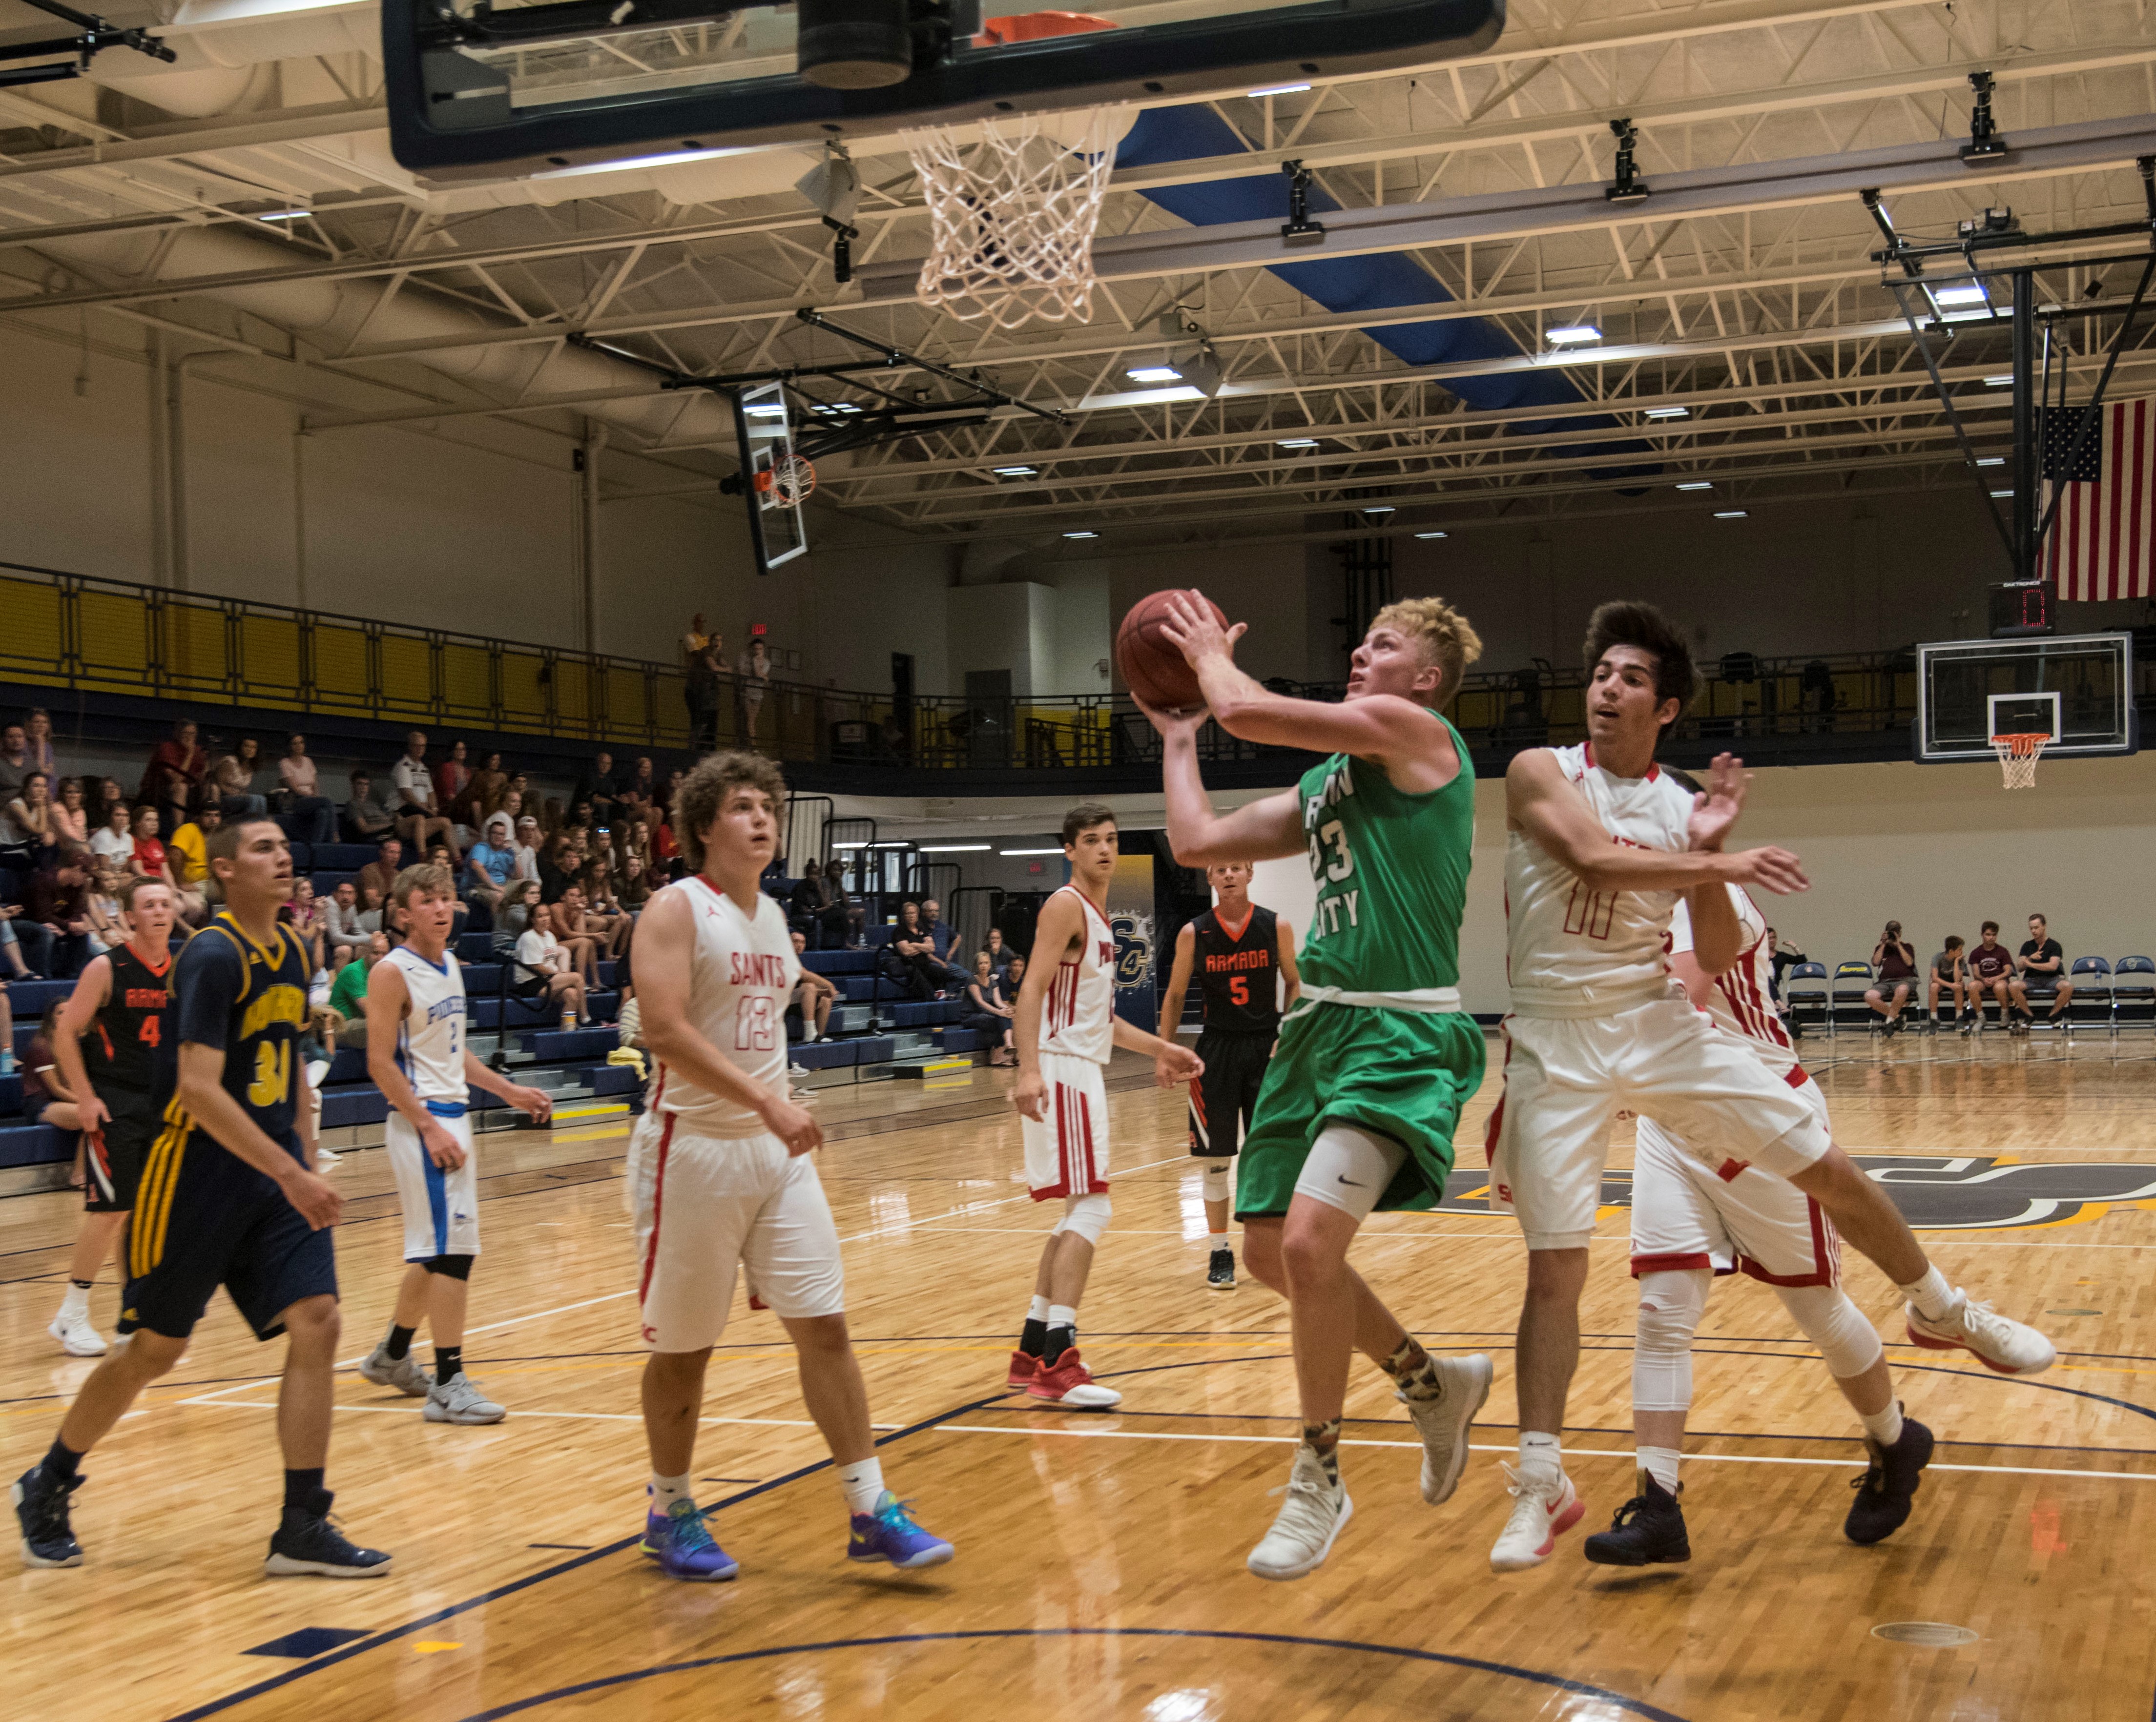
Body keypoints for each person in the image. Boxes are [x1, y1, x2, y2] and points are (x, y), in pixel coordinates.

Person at [1486, 600, 2053, 1575]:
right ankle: (1576, 1485)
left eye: (1629, 679)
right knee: (1594, 1278)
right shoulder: (1542, 771)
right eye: (1600, 674)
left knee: (1821, 1251)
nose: (1606, 689)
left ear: (1665, 709)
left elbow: (1708, 950)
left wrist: (1710, 854)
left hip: (1679, 1040)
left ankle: (1938, 1308)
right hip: (1557, 1037)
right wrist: (1718, 853)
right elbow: (1587, 856)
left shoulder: (1686, 818)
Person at [1141, 593, 1494, 1582]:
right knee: (1269, 1256)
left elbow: (1250, 711)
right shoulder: (1336, 784)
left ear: (1423, 677)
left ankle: (1320, 1473)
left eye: (1381, 645)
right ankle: (1431, 1384)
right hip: (1318, 1030)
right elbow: (1197, 846)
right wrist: (1177, 738)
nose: (1358, 651)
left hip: (1401, 1031)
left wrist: (1211, 661)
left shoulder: (1418, 732)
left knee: (1308, 1243)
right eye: (1361, 636)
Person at [12, 817, 391, 1578]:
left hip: (274, 1169)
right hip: (191, 1175)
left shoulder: (293, 945)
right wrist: (292, 1173)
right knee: (156, 1349)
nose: (282, 858)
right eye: (262, 849)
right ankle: (47, 1484)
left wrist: (305, 1155)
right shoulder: (213, 957)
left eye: (285, 847)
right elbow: (196, 1087)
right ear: (223, 871)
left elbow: (286, 1065)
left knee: (319, 1321)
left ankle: (300, 1524)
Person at [627, 749, 953, 1580]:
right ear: (706, 825)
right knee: (685, 1350)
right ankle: (668, 1508)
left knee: (826, 1324)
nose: (762, 818)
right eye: (742, 806)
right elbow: (662, 1029)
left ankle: (870, 1505)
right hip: (691, 1150)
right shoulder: (673, 909)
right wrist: (764, 1099)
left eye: (767, 805)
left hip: (774, 1155)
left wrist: (775, 1104)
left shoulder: (771, 914)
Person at [1584, 872, 1935, 1566]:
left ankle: (1895, 1440)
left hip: (1760, 1116)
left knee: (1817, 1311)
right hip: (1674, 1123)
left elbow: (1681, 998)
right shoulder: (1612, 909)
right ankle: (1658, 1506)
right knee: (1663, 1307)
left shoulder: (1706, 899)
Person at [1006, 804, 1203, 1414]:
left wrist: (1163, 1048)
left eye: (1112, 839)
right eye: (1091, 840)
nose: (1104, 849)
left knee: (1075, 1211)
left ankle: (1034, 1347)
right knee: (1092, 1208)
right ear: (1070, 849)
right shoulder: (1065, 905)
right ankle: (1060, 1364)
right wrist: (1029, 1068)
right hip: (1062, 1070)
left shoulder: (1098, 918)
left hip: (1079, 1066)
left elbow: (1104, 1021)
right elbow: (1031, 989)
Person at [356, 864, 553, 1422]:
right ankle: (449, 1383)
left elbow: (453, 1054)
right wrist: (428, 1126)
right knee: (454, 1253)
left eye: (447, 898)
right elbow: (378, 1062)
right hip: (424, 1125)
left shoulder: (449, 965)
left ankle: (393, 1355)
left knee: (436, 1248)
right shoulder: (392, 972)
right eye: (428, 900)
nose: (442, 908)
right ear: (403, 913)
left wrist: (508, 1090)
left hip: (451, 1118)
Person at [43, 878, 179, 1358]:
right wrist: (84, 1098)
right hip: (114, 1101)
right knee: (110, 1213)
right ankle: (71, 1314)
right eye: (149, 905)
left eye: (166, 902)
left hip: (161, 1105)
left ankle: (132, 1314)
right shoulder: (107, 967)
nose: (160, 911)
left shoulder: (183, 969)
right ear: (131, 916)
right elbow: (65, 1033)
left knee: (144, 1217)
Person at [1154, 861, 1301, 1291]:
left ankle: (1276, 1249)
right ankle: (1220, 1250)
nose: (1230, 875)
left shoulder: (1276, 925)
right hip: (1214, 1051)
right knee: (1215, 1161)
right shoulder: (1192, 932)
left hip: (1264, 1048)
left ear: (1251, 873)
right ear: (1211, 878)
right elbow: (1177, 993)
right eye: (1221, 869)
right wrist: (1166, 1051)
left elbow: (1294, 983)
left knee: (1270, 1159)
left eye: (1237, 868)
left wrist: (1287, 1034)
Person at [26, 845, 96, 980]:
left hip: (54, 921)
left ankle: (75, 975)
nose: (85, 880)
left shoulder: (76, 886)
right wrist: (68, 926)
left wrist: (72, 925)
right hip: (28, 920)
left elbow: (78, 911)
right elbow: (42, 915)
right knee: (46, 933)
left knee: (82, 933)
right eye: (85, 876)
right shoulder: (45, 880)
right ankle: (43, 977)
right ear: (76, 869)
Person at [513, 902, 586, 1025]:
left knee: (572, 995)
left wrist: (558, 974)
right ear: (533, 919)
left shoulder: (550, 936)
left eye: (547, 915)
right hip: (531, 983)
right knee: (577, 977)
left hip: (547, 980)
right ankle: (585, 1016)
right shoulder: (528, 937)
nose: (545, 919)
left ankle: (566, 1034)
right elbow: (535, 966)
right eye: (540, 916)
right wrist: (557, 974)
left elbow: (554, 959)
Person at [390, 732, 457, 858]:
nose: (421, 749)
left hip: (423, 812)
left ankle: (457, 861)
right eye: (417, 746)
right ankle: (423, 857)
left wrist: (434, 809)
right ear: (410, 746)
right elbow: (407, 795)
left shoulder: (424, 768)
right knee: (420, 818)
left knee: (446, 822)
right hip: (406, 813)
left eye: (423, 746)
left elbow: (431, 793)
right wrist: (426, 809)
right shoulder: (403, 766)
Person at [139, 719, 207, 835]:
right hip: (159, 790)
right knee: (181, 787)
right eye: (186, 733)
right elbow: (176, 779)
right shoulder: (167, 748)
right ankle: (179, 830)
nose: (189, 737)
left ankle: (207, 826)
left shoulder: (198, 750)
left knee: (211, 787)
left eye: (193, 734)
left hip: (189, 791)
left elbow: (201, 776)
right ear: (177, 734)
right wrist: (189, 754)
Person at [2013, 912, 2073, 1031]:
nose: (2034, 931)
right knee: (2013, 986)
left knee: (2068, 987)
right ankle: (2029, 1016)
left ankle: (2053, 1015)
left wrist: (2030, 964)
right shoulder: (2027, 945)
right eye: (2031, 929)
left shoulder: (2054, 946)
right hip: (2031, 980)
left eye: (2036, 928)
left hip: (2052, 980)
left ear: (2044, 926)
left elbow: (2053, 966)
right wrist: (2030, 958)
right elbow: (2019, 967)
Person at [324, 931, 384, 1048]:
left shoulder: (379, 972)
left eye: (384, 954)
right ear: (366, 953)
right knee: (384, 1025)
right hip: (339, 1027)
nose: (380, 958)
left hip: (357, 1022)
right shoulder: (354, 971)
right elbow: (370, 1010)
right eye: (375, 953)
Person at [275, 735, 337, 847]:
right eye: (295, 743)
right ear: (290, 746)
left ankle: (316, 846)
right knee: (327, 801)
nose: (299, 746)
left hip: (311, 799)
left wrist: (316, 797)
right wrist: (313, 798)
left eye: (301, 743)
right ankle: (334, 835)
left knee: (322, 813)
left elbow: (315, 784)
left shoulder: (308, 761)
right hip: (296, 800)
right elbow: (295, 789)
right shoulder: (285, 763)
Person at [1865, 920, 1917, 1035]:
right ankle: (1897, 1018)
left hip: (1905, 980)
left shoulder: (1907, 947)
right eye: (1891, 932)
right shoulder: (1881, 948)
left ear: (1900, 934)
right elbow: (1875, 962)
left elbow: (1909, 963)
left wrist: (1898, 944)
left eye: (1896, 932)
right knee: (1869, 996)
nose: (1894, 935)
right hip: (1884, 982)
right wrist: (1883, 944)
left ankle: (1889, 1022)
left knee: (1902, 990)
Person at [962, 950, 1015, 1065]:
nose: (984, 966)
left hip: (986, 1014)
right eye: (981, 963)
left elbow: (999, 1002)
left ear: (990, 965)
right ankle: (1001, 1052)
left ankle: (1006, 1048)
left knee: (1005, 1016)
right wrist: (999, 1012)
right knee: (998, 1018)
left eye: (986, 963)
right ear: (977, 965)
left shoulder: (992, 982)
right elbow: (980, 1002)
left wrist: (1006, 1010)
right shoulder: (972, 980)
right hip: (971, 1016)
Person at [788, 929, 838, 1044]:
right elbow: (803, 975)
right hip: (778, 1000)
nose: (799, 945)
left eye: (802, 942)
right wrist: (829, 984)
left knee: (825, 998)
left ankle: (819, 1036)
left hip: (792, 999)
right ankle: (810, 1033)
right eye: (796, 941)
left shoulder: (796, 959)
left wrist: (821, 992)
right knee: (809, 987)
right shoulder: (784, 956)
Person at [1965, 921, 2015, 1031]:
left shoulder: (2003, 951)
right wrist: (1984, 979)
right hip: (1983, 981)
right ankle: (1981, 1017)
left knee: (2000, 987)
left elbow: (2008, 971)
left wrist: (1996, 978)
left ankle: (2005, 1015)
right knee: (1972, 986)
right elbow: (1976, 973)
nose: (1991, 937)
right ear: (1982, 935)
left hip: (2000, 979)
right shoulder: (1976, 953)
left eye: (1994, 935)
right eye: (1988, 935)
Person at [464, 814, 518, 912]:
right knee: (497, 896)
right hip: (478, 887)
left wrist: (515, 855)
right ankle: (494, 926)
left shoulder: (506, 853)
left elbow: (518, 876)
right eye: (495, 833)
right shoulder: (481, 848)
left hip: (502, 886)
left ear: (505, 837)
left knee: (528, 886)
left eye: (501, 834)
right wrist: (494, 886)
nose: (498, 836)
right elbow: (477, 866)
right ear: (489, 834)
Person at [166, 802, 221, 895]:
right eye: (208, 815)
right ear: (198, 818)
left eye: (217, 815)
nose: (213, 819)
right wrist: (180, 883)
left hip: (213, 881)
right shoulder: (187, 830)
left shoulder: (220, 834)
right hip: (194, 884)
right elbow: (175, 856)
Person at [210, 737, 268, 817]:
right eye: (247, 746)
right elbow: (219, 783)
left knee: (262, 799)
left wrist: (242, 795)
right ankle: (251, 825)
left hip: (238, 799)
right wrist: (236, 795)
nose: (250, 750)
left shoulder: (250, 767)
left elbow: (243, 788)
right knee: (254, 799)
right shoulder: (230, 762)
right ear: (240, 748)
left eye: (253, 747)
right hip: (223, 798)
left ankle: (259, 824)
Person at [1928, 936, 1970, 1031]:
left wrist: (1956, 962)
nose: (1962, 952)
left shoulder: (1960, 960)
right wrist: (1951, 985)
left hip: (1954, 983)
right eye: (1960, 950)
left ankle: (1959, 1018)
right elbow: (1935, 978)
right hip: (1941, 983)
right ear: (1951, 951)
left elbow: (1957, 979)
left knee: (1959, 986)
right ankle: (1934, 1018)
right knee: (1934, 986)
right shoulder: (1938, 957)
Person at [738, 628, 772, 742]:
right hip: (746, 691)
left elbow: (760, 674)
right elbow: (757, 674)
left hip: (758, 693)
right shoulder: (745, 657)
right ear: (752, 649)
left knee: (752, 719)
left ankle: (751, 742)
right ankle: (753, 743)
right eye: (756, 649)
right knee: (749, 719)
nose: (758, 651)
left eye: (761, 649)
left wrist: (758, 665)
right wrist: (755, 663)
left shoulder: (767, 662)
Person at [343, 771, 395, 845]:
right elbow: (364, 828)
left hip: (392, 830)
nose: (363, 787)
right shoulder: (352, 805)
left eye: (366, 784)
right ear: (353, 785)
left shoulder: (374, 805)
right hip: (377, 835)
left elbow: (388, 818)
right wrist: (391, 825)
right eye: (360, 784)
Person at [324, 879, 368, 962]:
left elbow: (358, 932)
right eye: (342, 892)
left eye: (350, 893)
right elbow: (335, 939)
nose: (346, 897)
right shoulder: (330, 904)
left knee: (364, 947)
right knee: (345, 950)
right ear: (334, 894)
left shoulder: (352, 907)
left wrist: (376, 938)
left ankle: (358, 975)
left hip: (334, 946)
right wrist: (369, 940)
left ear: (356, 896)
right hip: (323, 946)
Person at [88, 800, 133, 871]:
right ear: (110, 817)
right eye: (118, 815)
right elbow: (104, 868)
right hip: (104, 878)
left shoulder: (128, 838)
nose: (123, 819)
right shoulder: (103, 836)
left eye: (126, 815)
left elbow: (127, 867)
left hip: (121, 877)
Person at [359, 837, 404, 903]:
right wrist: (395, 902)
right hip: (369, 912)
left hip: (389, 911)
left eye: (399, 853)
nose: (396, 857)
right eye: (392, 852)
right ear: (382, 853)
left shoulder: (399, 875)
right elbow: (372, 902)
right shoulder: (369, 870)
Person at [51, 776, 89, 847]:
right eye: (69, 792)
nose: (73, 796)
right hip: (59, 850)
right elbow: (70, 837)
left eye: (78, 792)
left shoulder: (80, 812)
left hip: (75, 848)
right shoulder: (56, 809)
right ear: (63, 794)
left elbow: (83, 838)